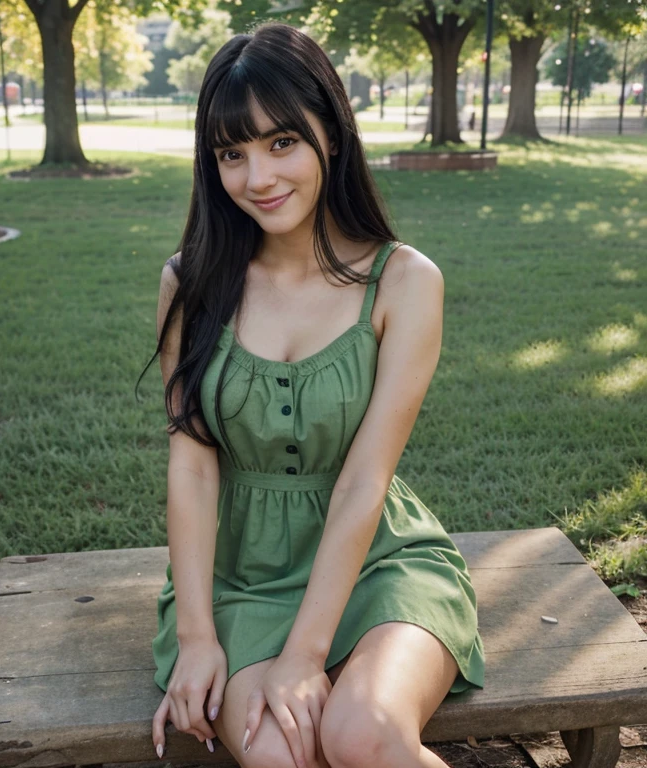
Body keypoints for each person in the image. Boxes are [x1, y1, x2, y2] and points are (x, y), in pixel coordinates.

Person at [140, 20, 485, 768]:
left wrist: (307, 653)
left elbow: (367, 479)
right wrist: (198, 637)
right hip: (239, 582)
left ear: (329, 131)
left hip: (379, 565)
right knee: (277, 757)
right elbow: (193, 466)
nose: (257, 177)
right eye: (232, 153)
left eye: (280, 142)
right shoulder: (190, 284)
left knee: (360, 734)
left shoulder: (405, 282)